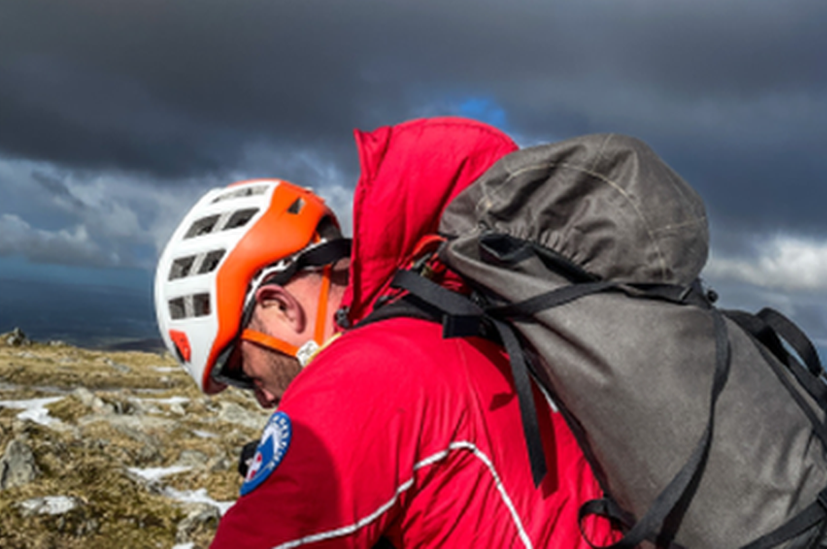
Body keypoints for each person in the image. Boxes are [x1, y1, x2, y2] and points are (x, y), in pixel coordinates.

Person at [155, 117, 617, 548]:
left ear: (279, 307)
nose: (262, 398)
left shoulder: (357, 378)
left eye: (241, 369)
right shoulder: (447, 324)